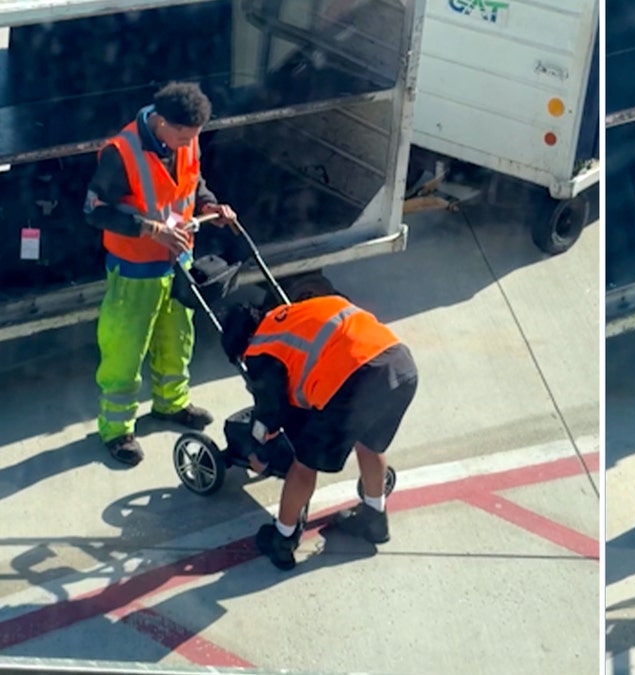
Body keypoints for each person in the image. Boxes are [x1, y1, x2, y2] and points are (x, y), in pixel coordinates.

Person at [84, 81, 238, 466]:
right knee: (125, 348)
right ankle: (117, 430)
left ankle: (171, 404)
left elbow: (192, 183)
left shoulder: (186, 140)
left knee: (177, 337)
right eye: (184, 137)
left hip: (178, 260)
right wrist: (151, 230)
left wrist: (211, 206)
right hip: (135, 268)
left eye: (194, 138)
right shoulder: (121, 153)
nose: (188, 145)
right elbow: (94, 210)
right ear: (162, 122)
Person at [219, 295, 419, 571]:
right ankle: (374, 518)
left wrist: (260, 449)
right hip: (399, 365)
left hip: (353, 384)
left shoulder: (260, 350)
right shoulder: (293, 313)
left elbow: (271, 414)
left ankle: (282, 537)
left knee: (303, 465)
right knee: (370, 445)